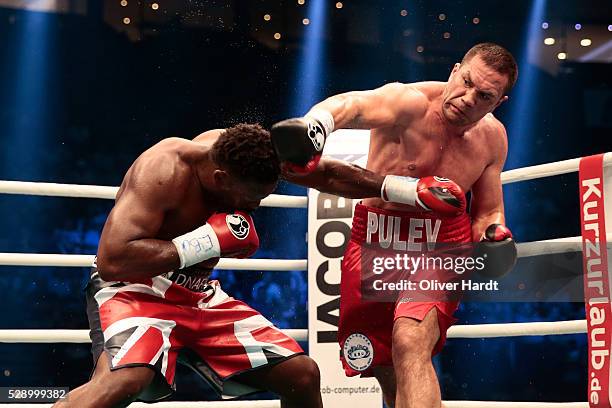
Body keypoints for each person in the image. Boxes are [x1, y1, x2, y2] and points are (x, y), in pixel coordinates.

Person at [272, 43, 519, 408]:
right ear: (454, 70)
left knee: (410, 340)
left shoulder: (492, 138)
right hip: (374, 239)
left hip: (439, 248)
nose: (468, 98)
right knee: (385, 365)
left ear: (498, 102)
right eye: (466, 82)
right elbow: (354, 105)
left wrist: (494, 233)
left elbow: (488, 210)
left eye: (484, 96)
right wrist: (317, 125)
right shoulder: (410, 103)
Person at [53, 124, 325, 408]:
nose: (254, 205)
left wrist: (377, 185)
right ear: (221, 178)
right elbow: (112, 260)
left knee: (302, 375)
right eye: (249, 197)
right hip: (135, 288)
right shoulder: (163, 171)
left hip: (198, 295)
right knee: (126, 380)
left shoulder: (247, 155)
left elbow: (326, 172)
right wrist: (206, 242)